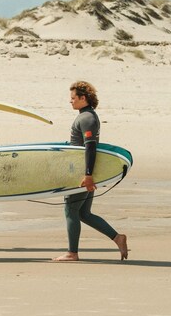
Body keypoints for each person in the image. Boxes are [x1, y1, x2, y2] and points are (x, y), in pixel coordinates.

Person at [53, 81, 128, 262]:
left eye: (73, 98)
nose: (70, 101)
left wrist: (87, 175)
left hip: (82, 174)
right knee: (83, 214)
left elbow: (90, 148)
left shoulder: (87, 118)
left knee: (71, 210)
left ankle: (72, 253)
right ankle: (118, 238)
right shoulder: (86, 116)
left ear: (83, 98)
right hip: (84, 172)